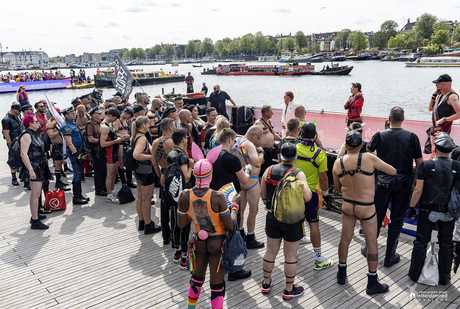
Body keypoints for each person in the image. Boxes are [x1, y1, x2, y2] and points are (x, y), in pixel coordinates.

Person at [333, 131, 396, 295]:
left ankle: (341, 273)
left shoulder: (337, 163)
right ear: (361, 145)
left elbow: (338, 188)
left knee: (345, 240)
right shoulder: (369, 158)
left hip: (348, 206)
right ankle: (372, 281)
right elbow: (392, 171)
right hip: (366, 207)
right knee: (372, 244)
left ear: (346, 146)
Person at [177, 144, 239, 309]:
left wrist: (196, 214)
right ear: (210, 175)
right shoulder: (218, 197)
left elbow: (181, 223)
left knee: (196, 279)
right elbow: (230, 227)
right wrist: (234, 207)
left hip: (199, 242)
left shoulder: (185, 195)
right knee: (216, 286)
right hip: (217, 243)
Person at [365, 107, 423, 266]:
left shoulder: (380, 135)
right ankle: (389, 257)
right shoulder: (412, 137)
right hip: (404, 182)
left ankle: (370, 250)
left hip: (383, 181)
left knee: (376, 218)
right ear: (404, 119)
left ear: (389, 118)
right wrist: (413, 181)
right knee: (397, 220)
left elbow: (367, 152)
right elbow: (419, 164)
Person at [260, 143, 312, 299]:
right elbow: (307, 197)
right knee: (290, 255)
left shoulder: (268, 170)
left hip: (272, 216)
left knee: (270, 251)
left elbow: (263, 195)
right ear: (295, 157)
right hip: (292, 220)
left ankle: (265, 284)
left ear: (279, 156)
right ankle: (289, 290)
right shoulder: (298, 173)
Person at [408, 133, 458, 285]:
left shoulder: (426, 165)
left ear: (434, 148)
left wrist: (411, 208)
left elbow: (418, 190)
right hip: (449, 212)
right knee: (447, 244)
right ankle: (444, 277)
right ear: (450, 150)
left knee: (421, 242)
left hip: (428, 211)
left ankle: (415, 274)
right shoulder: (457, 166)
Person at [209, 128, 253, 282]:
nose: (234, 143)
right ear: (229, 140)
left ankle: (221, 263)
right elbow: (245, 180)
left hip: (214, 199)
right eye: (234, 141)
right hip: (230, 200)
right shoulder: (232, 159)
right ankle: (234, 270)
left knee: (219, 232)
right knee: (232, 233)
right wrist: (247, 169)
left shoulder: (211, 155)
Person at [294, 122, 333, 270]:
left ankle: (294, 251)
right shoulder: (320, 154)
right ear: (315, 136)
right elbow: (323, 179)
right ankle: (318, 259)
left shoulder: (294, 149)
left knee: (295, 223)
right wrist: (326, 195)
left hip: (293, 192)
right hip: (310, 194)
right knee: (314, 225)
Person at [232, 125, 265, 249]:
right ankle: (250, 238)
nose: (258, 141)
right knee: (253, 210)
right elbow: (256, 162)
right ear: (253, 134)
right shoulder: (249, 145)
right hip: (252, 181)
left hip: (241, 179)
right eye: (258, 138)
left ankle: (240, 233)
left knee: (241, 209)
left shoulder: (237, 141)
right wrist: (261, 153)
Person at [20, 115, 52, 230]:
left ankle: (35, 215)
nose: (38, 122)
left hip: (39, 165)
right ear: (30, 124)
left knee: (37, 193)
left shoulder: (33, 133)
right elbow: (23, 154)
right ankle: (34, 220)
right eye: (35, 121)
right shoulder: (27, 135)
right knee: (36, 193)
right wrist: (30, 170)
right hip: (34, 167)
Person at [131, 116, 162, 235]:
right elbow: (136, 154)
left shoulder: (135, 135)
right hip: (145, 171)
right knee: (147, 200)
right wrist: (151, 157)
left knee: (140, 197)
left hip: (138, 170)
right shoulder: (142, 138)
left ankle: (141, 221)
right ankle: (148, 225)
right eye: (148, 124)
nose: (149, 126)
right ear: (144, 125)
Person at [168, 129, 194, 269]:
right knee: (185, 225)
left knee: (176, 222)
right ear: (183, 140)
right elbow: (187, 177)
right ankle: (184, 257)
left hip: (173, 194)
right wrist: (191, 165)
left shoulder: (171, 154)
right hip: (183, 195)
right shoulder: (182, 157)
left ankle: (177, 251)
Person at [152, 118, 175, 244]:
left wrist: (159, 174)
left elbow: (154, 162)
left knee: (164, 206)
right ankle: (174, 234)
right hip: (172, 175)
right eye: (174, 126)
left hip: (163, 174)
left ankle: (165, 235)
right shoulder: (171, 142)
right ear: (170, 127)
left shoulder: (155, 142)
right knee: (174, 206)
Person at [61, 107, 90, 205]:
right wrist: (77, 156)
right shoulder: (66, 126)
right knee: (77, 173)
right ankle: (76, 197)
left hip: (78, 149)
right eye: (71, 113)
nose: (74, 114)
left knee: (80, 172)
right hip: (74, 151)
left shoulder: (72, 123)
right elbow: (69, 143)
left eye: (74, 112)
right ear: (66, 115)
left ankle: (79, 195)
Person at [100, 107, 126, 204]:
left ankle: (112, 191)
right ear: (110, 116)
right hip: (109, 153)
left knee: (114, 174)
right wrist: (116, 141)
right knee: (110, 175)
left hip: (114, 152)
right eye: (115, 119)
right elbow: (102, 144)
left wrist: (120, 138)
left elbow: (112, 138)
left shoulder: (109, 125)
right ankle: (109, 195)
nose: (115, 121)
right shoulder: (104, 127)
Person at [428, 74, 460, 153]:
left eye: (438, 83)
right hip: (435, 131)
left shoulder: (452, 97)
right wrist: (434, 95)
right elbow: (430, 108)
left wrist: (444, 119)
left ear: (444, 84)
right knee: (434, 152)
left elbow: (459, 113)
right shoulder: (440, 95)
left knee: (441, 154)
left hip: (443, 134)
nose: (436, 85)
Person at [255, 105, 281, 177]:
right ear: (266, 113)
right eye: (271, 112)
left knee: (268, 171)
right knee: (263, 171)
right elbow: (255, 138)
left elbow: (274, 135)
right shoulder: (258, 123)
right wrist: (260, 153)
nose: (272, 114)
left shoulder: (269, 121)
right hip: (263, 151)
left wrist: (282, 140)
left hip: (270, 151)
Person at [45, 112, 70, 192]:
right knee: (58, 164)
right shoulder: (50, 124)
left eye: (59, 114)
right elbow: (51, 135)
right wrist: (60, 130)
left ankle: (59, 181)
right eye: (56, 114)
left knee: (61, 163)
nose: (58, 115)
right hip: (56, 146)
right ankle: (58, 183)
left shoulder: (59, 122)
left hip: (62, 146)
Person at [86, 107, 107, 196]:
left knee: (103, 169)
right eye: (99, 113)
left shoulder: (98, 123)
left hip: (100, 149)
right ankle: (98, 189)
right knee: (98, 170)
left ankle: (103, 187)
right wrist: (101, 142)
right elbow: (90, 138)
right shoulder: (90, 124)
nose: (101, 114)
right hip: (96, 150)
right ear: (94, 115)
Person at [2, 103, 22, 186]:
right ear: (14, 110)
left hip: (20, 141)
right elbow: (6, 134)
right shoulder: (6, 119)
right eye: (19, 110)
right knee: (13, 160)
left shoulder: (17, 117)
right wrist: (10, 145)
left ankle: (23, 176)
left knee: (22, 158)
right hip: (13, 143)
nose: (20, 112)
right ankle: (13, 177)